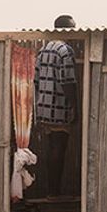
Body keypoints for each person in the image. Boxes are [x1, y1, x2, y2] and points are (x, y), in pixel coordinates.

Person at [33, 14, 78, 198]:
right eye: (73, 28)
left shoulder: (43, 50)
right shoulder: (65, 50)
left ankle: (51, 190)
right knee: (59, 147)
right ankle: (54, 192)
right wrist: (74, 105)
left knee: (51, 146)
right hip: (59, 107)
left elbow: (35, 79)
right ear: (66, 29)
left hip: (43, 107)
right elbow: (67, 81)